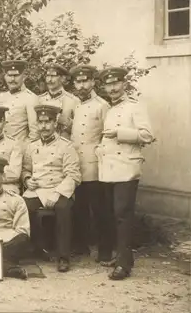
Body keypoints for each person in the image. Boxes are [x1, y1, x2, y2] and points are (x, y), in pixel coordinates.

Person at [96, 67, 155, 280]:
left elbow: (147, 135)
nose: (112, 88)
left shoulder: (135, 106)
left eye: (116, 83)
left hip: (126, 168)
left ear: (123, 84)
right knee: (112, 215)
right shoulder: (108, 109)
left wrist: (120, 133)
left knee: (123, 215)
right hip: (108, 168)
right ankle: (120, 256)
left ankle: (124, 265)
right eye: (108, 84)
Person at [22, 104, 81, 272]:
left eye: (48, 122)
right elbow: (26, 169)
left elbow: (74, 175)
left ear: (55, 123)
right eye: (40, 122)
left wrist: (57, 193)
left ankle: (63, 257)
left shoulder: (66, 146)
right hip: (37, 189)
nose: (44, 126)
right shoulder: (32, 146)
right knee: (21, 207)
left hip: (59, 189)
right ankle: (30, 250)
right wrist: (27, 180)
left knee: (63, 208)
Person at [69, 64, 110, 257]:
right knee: (80, 207)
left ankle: (105, 249)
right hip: (77, 164)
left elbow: (107, 136)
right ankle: (81, 246)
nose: (82, 85)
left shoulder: (102, 105)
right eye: (78, 81)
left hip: (94, 165)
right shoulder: (77, 105)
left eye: (85, 81)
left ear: (93, 82)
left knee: (99, 208)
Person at [0, 60, 39, 145]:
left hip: (19, 149)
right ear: (5, 77)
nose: (12, 79)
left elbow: (35, 133)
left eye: (16, 75)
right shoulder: (1, 97)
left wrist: (24, 150)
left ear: (24, 76)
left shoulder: (31, 98)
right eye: (9, 75)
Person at [38, 63, 80, 140]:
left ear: (63, 79)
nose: (49, 80)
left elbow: (81, 130)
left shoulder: (73, 101)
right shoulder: (39, 100)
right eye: (48, 76)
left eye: (53, 76)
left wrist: (66, 122)